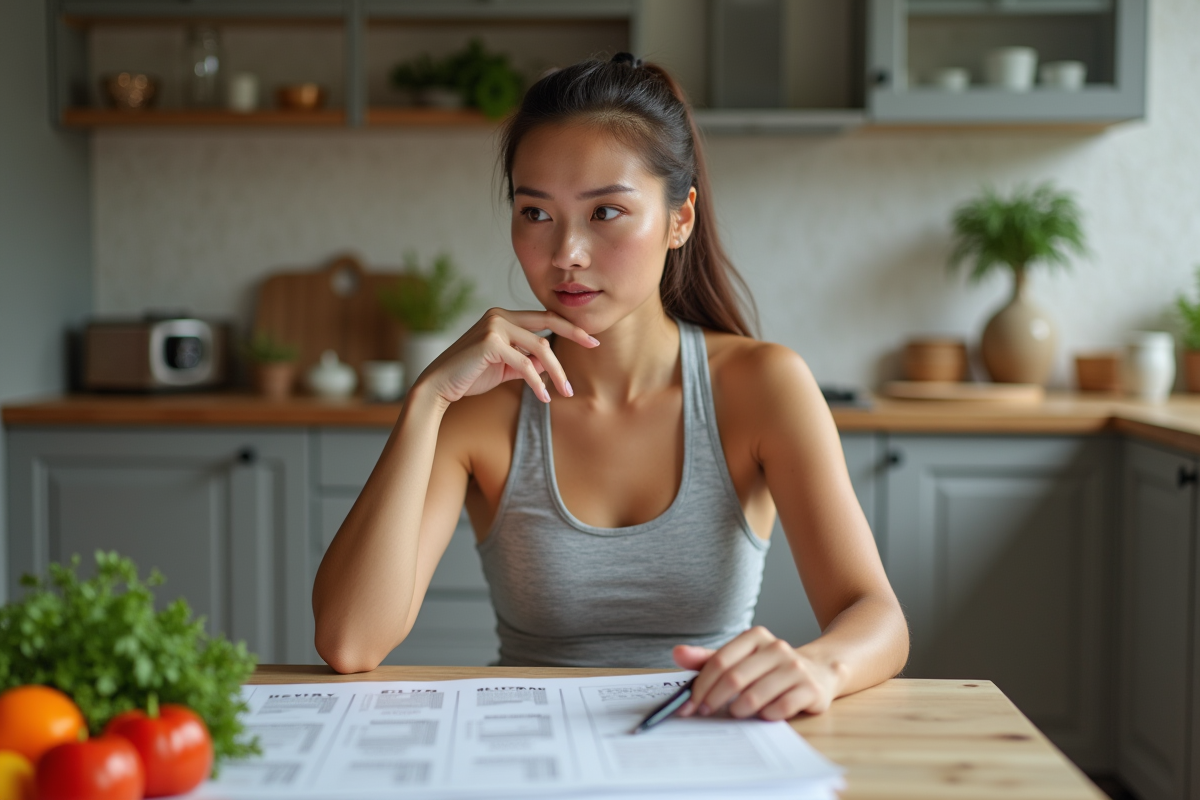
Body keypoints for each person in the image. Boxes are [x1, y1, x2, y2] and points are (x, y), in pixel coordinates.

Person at [312, 54, 908, 721]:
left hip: (707, 746)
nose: (566, 251)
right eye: (536, 213)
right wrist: (426, 402)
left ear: (680, 219)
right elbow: (349, 642)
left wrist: (818, 667)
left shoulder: (762, 386)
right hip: (524, 747)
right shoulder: (481, 407)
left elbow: (876, 616)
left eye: (606, 213)